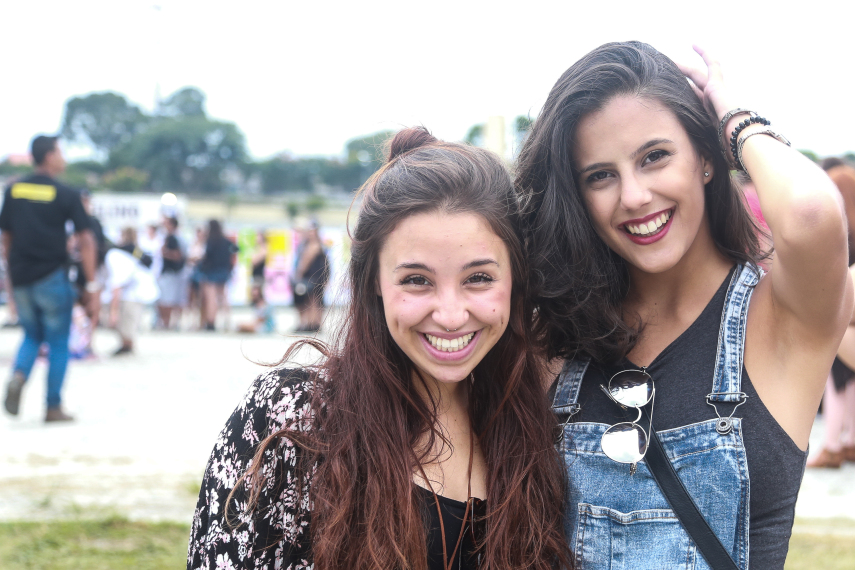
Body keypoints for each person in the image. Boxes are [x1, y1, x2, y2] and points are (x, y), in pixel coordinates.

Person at [515, 42, 851, 569]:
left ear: (708, 159)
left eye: (655, 157)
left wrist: (734, 117)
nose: (634, 196)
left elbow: (811, 214)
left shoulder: (776, 319)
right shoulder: (556, 337)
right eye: (600, 175)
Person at [187, 128, 571, 570]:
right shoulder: (291, 420)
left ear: (516, 279)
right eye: (416, 280)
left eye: (478, 278)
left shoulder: (542, 427)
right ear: (373, 282)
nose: (449, 315)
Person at [0, 135, 100, 422]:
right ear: (48, 156)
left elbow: (6, 235)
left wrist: (11, 274)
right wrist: (91, 284)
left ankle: (19, 376)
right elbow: (86, 238)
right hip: (52, 276)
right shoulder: (66, 193)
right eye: (60, 151)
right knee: (57, 342)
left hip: (21, 276)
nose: (64, 157)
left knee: (31, 335)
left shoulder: (14, 189)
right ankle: (53, 406)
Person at [807, 161, 855, 468]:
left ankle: (833, 444)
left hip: (842, 314)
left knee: (836, 375)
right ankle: (846, 442)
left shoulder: (839, 233)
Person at [100, 228, 160, 356]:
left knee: (127, 321)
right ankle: (126, 345)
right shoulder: (136, 250)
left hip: (133, 292)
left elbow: (117, 283)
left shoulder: (116, 253)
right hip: (137, 291)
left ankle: (127, 345)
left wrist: (113, 311)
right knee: (130, 321)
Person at [291, 219, 328, 332]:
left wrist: (299, 274)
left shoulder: (314, 245)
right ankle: (312, 323)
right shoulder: (312, 244)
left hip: (314, 277)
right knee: (311, 300)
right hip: (314, 277)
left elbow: (306, 261)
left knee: (313, 300)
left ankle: (313, 324)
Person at [156, 216, 186, 330]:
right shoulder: (174, 237)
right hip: (172, 273)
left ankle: (166, 323)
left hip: (171, 273)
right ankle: (167, 322)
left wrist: (164, 252)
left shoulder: (173, 238)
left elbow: (178, 256)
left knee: (166, 300)